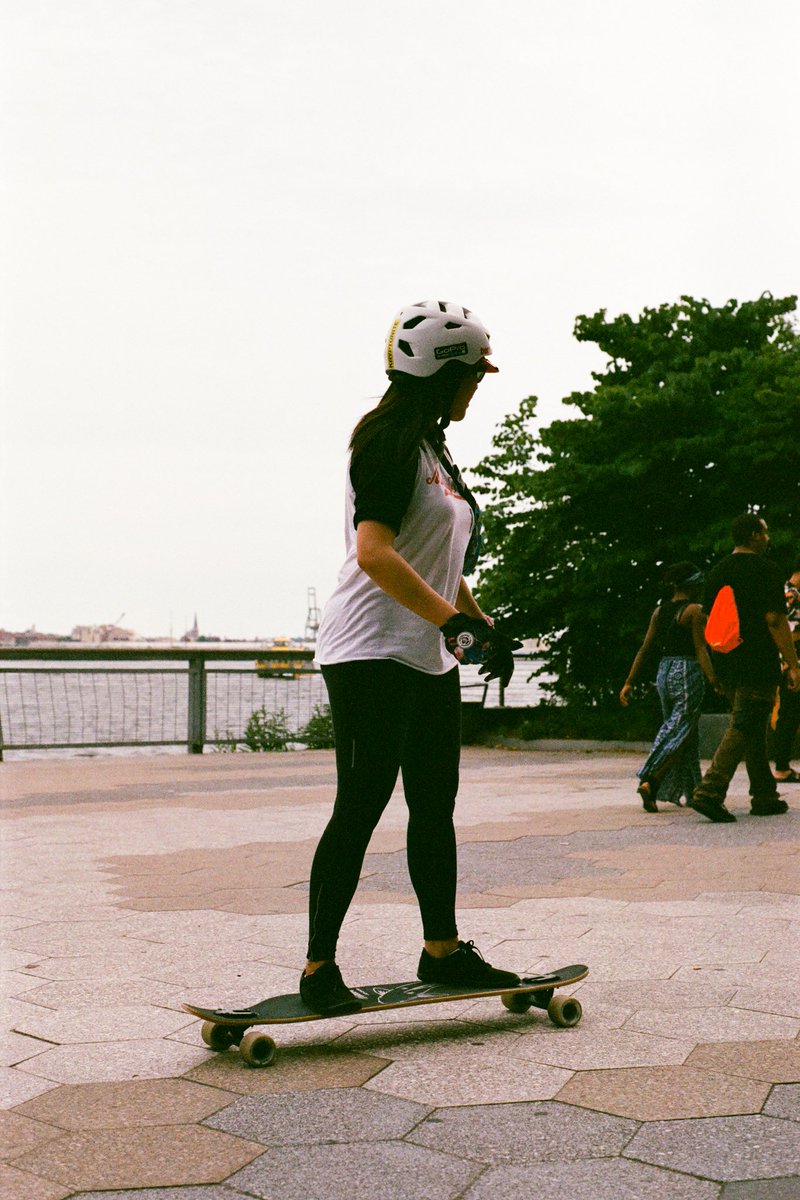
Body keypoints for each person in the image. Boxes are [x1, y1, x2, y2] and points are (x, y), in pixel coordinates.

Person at [301, 300, 522, 1015]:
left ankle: (443, 951)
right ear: (439, 372)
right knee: (361, 804)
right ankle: (318, 968)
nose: (477, 388)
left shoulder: (433, 450)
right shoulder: (388, 443)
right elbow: (375, 554)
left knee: (435, 806)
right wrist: (454, 622)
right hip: (369, 649)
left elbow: (439, 559)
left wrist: (480, 625)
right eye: (473, 376)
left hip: (426, 652)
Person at [689, 513, 800, 822]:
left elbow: (706, 617)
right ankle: (710, 791)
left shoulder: (718, 571)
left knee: (751, 723)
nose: (768, 538)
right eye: (764, 533)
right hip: (756, 659)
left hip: (725, 658)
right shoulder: (766, 571)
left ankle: (764, 795)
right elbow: (775, 620)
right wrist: (792, 664)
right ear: (753, 535)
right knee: (744, 723)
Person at [620, 563, 720, 812]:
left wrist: (629, 681)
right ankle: (652, 780)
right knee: (681, 731)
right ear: (693, 585)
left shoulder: (659, 611)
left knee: (683, 731)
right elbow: (700, 649)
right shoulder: (694, 611)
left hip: (663, 673)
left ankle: (693, 789)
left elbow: (645, 648)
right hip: (687, 672)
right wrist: (714, 680)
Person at [772, 553, 800, 783]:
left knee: (790, 713)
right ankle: (781, 767)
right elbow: (787, 632)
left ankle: (782, 765)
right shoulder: (791, 595)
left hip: (791, 662)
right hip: (793, 663)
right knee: (790, 713)